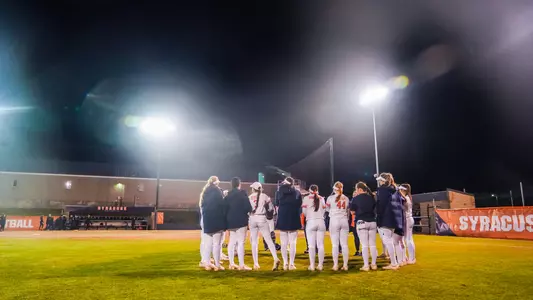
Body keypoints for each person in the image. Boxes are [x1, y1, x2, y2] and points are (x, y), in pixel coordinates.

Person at [249, 182, 281, 271]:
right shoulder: (265, 196)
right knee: (269, 240)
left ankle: (256, 263)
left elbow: (247, 210)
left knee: (254, 241)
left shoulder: (250, 197)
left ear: (253, 189)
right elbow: (271, 210)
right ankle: (275, 258)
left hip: (252, 218)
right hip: (262, 218)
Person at [376, 172, 405, 270]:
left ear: (383, 181)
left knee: (388, 241)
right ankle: (400, 261)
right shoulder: (396, 190)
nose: (379, 182)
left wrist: (379, 220)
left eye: (380, 180)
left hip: (386, 218)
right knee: (394, 241)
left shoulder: (382, 190)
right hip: (396, 219)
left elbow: (381, 206)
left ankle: (394, 263)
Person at [224, 177, 253, 270]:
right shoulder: (242, 194)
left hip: (231, 221)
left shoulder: (228, 196)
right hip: (241, 221)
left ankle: (231, 264)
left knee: (231, 242)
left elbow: (224, 209)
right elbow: (248, 208)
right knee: (241, 243)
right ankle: (241, 265)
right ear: (239, 184)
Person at [199, 176, 227, 271]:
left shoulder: (205, 191)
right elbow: (222, 205)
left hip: (207, 220)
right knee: (217, 244)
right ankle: (217, 265)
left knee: (207, 244)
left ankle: (207, 263)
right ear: (217, 183)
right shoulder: (218, 191)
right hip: (217, 220)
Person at [275, 177, 302, 270]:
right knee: (293, 242)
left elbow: (276, 204)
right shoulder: (297, 192)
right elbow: (299, 205)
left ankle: (285, 264)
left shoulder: (279, 191)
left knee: (283, 243)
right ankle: (291, 264)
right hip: (293, 217)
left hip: (283, 216)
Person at [351, 182, 378, 271]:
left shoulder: (356, 198)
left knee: (365, 245)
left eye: (356, 189)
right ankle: (374, 265)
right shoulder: (371, 197)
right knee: (373, 245)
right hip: (372, 222)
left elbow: (352, 212)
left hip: (362, 222)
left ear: (359, 189)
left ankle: (366, 265)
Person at [326, 181, 350, 271]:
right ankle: (345, 265)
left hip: (334, 220)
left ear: (334, 189)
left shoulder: (330, 198)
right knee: (344, 245)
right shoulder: (346, 198)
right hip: (344, 220)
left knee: (335, 245)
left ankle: (335, 265)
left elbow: (327, 209)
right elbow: (348, 210)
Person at [301, 184, 326, 271]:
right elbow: (324, 211)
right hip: (321, 221)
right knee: (320, 245)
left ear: (309, 190)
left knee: (311, 246)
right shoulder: (322, 198)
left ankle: (312, 265)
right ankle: (320, 265)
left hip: (311, 222)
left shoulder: (306, 198)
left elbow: (304, 212)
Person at [399, 183, 416, 264]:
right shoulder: (408, 197)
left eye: (401, 189)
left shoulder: (405, 198)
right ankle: (407, 257)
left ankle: (412, 258)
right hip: (409, 219)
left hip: (407, 219)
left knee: (408, 239)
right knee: (408, 239)